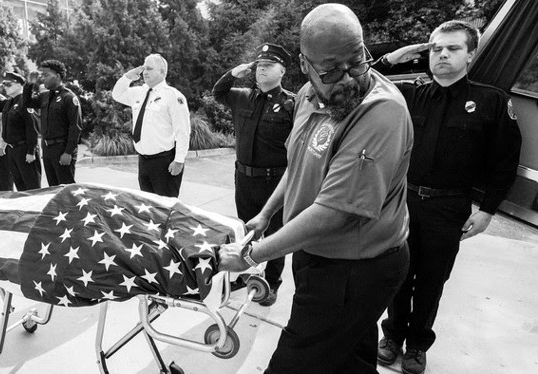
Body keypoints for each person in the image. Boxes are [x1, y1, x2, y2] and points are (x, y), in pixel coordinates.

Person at [219, 4, 412, 373]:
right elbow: (300, 165)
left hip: (355, 269)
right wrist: (265, 213)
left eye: (357, 62)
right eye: (331, 69)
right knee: (349, 361)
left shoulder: (381, 113)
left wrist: (251, 256)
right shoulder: (309, 96)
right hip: (320, 259)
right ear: (305, 64)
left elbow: (336, 212)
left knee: (293, 364)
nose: (349, 78)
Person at [373, 21, 522, 374]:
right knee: (397, 271)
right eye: (436, 48)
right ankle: (392, 335)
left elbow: (505, 162)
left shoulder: (491, 101)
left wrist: (487, 211)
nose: (441, 54)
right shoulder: (410, 94)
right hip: (403, 201)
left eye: (452, 48)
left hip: (449, 206)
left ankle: (417, 345)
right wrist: (391, 60)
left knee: (431, 279)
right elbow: (357, 85)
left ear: (471, 54)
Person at [212, 43, 295, 306]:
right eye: (259, 65)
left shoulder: (291, 104)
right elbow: (218, 92)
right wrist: (234, 72)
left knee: (274, 234)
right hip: (244, 179)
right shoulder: (242, 96)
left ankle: (271, 284)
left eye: (268, 66)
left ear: (282, 71)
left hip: (274, 181)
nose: (261, 70)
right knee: (244, 230)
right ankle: (247, 273)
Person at [112, 54, 191, 198]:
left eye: (149, 68)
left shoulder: (173, 96)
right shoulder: (139, 93)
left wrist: (179, 160)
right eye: (144, 69)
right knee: (148, 208)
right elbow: (117, 94)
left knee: (165, 209)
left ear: (162, 72)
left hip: (164, 162)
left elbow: (183, 131)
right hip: (143, 161)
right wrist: (128, 77)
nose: (145, 72)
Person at [22, 60, 82, 186]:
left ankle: (70, 207)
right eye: (42, 75)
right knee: (53, 188)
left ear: (58, 76)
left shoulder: (69, 98)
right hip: (48, 149)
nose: (42, 79)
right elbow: (27, 102)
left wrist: (68, 152)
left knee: (66, 189)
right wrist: (29, 84)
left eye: (46, 75)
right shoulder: (44, 96)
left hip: (62, 148)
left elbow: (75, 127)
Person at [0, 72, 42, 191]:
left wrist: (31, 150)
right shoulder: (9, 102)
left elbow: (32, 127)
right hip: (12, 149)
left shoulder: (25, 101)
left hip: (24, 149)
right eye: (4, 84)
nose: (5, 87)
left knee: (32, 186)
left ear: (19, 85)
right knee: (20, 186)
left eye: (8, 84)